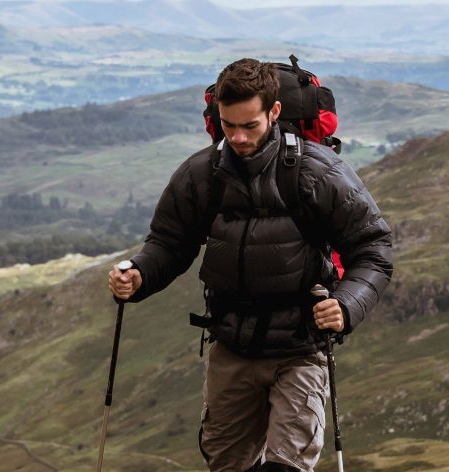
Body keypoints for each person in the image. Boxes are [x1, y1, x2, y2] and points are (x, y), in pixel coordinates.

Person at [107, 58, 393, 472]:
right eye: (228, 125)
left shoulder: (318, 173)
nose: (238, 137)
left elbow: (373, 250)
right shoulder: (200, 175)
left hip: (300, 350)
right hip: (231, 348)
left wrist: (346, 305)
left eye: (250, 125)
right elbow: (169, 243)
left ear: (274, 112)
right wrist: (138, 274)